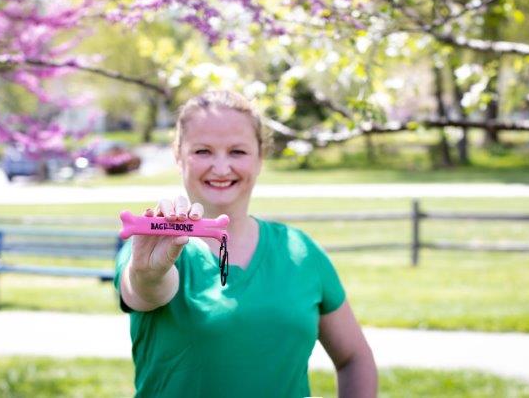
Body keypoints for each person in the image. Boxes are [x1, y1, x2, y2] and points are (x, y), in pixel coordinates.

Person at [115, 90, 377, 397]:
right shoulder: (152, 246)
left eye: (237, 152)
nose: (222, 167)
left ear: (260, 157)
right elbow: (146, 288)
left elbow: (354, 358)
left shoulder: (300, 252)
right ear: (178, 156)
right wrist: (149, 272)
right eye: (203, 151)